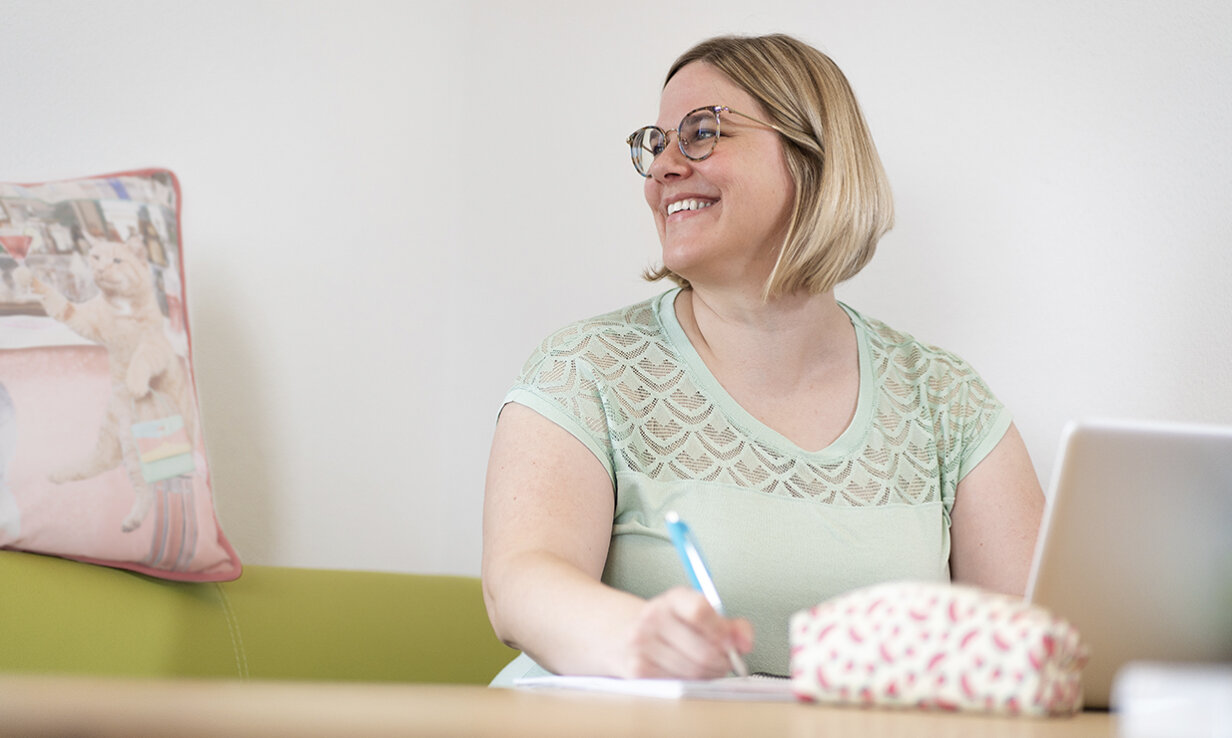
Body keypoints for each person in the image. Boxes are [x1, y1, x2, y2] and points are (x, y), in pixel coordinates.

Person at [481, 33, 1044, 684]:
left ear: (814, 155)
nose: (664, 166)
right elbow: (519, 586)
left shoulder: (948, 400)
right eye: (656, 143)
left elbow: (1039, 644)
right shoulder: (583, 368)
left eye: (701, 133)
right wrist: (630, 637)